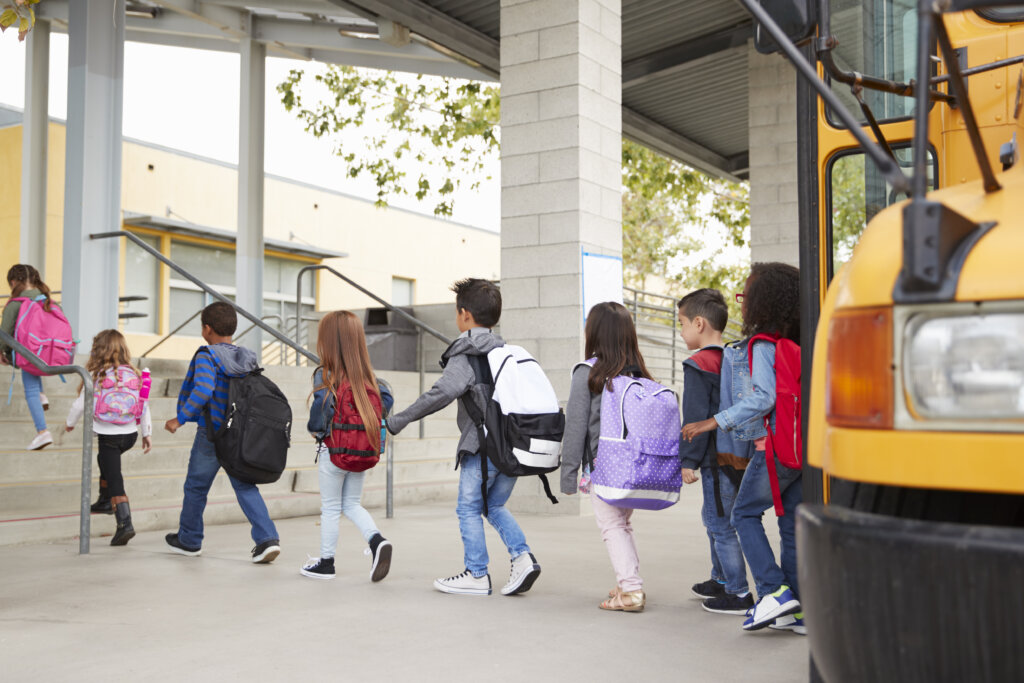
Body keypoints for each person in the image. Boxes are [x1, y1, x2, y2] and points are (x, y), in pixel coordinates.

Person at [386, 278, 541, 596]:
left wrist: (397, 421)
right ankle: (522, 557)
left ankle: (476, 573)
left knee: (469, 508)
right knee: (493, 505)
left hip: (483, 445)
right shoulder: (507, 351)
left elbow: (442, 391)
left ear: (465, 314)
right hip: (514, 444)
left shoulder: (468, 353)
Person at [682, 262, 804, 634]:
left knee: (743, 515)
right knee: (790, 525)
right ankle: (798, 608)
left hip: (774, 447)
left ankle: (772, 590)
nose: (743, 304)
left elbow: (763, 397)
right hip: (802, 448)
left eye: (747, 296)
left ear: (762, 302)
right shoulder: (800, 342)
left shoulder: (763, 344)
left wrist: (712, 421)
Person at [163, 302, 281, 563]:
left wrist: (179, 419)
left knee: (196, 487)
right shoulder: (246, 357)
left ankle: (190, 540)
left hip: (211, 435)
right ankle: (267, 539)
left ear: (207, 329)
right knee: (244, 485)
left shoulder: (208, 356)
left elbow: (204, 389)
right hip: (239, 434)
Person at [560, 301, 656, 612]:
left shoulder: (588, 372)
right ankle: (627, 582)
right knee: (622, 525)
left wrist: (568, 474)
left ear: (594, 333)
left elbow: (575, 427)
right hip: (636, 464)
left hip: (605, 465)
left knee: (611, 526)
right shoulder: (639, 374)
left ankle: (630, 591)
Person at [300, 310, 393, 582]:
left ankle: (326, 562)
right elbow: (386, 403)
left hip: (334, 451)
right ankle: (377, 541)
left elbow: (319, 414)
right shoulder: (371, 379)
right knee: (351, 504)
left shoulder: (325, 375)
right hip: (361, 451)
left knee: (330, 507)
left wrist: (315, 431)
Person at [677, 289, 753, 616]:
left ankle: (737, 592)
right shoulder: (734, 358)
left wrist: (687, 461)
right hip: (738, 454)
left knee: (720, 523)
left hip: (713, 458)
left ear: (699, 323)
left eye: (681, 324)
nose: (680, 332)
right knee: (716, 519)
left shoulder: (698, 364)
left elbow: (693, 416)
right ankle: (720, 578)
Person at [65, 329, 153, 546]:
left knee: (115, 478)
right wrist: (147, 433)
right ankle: (105, 500)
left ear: (98, 350)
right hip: (130, 434)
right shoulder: (135, 374)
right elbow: (144, 406)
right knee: (104, 462)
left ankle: (125, 524)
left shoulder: (97, 375)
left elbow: (79, 405)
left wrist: (69, 423)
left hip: (109, 436)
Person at [1, 264, 54, 450]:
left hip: (28, 354)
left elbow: (4, 333)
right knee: (35, 372)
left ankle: (42, 432)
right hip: (51, 353)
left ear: (14, 282)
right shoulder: (48, 300)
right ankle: (42, 396)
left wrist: (3, 353)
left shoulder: (16, 303)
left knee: (29, 388)